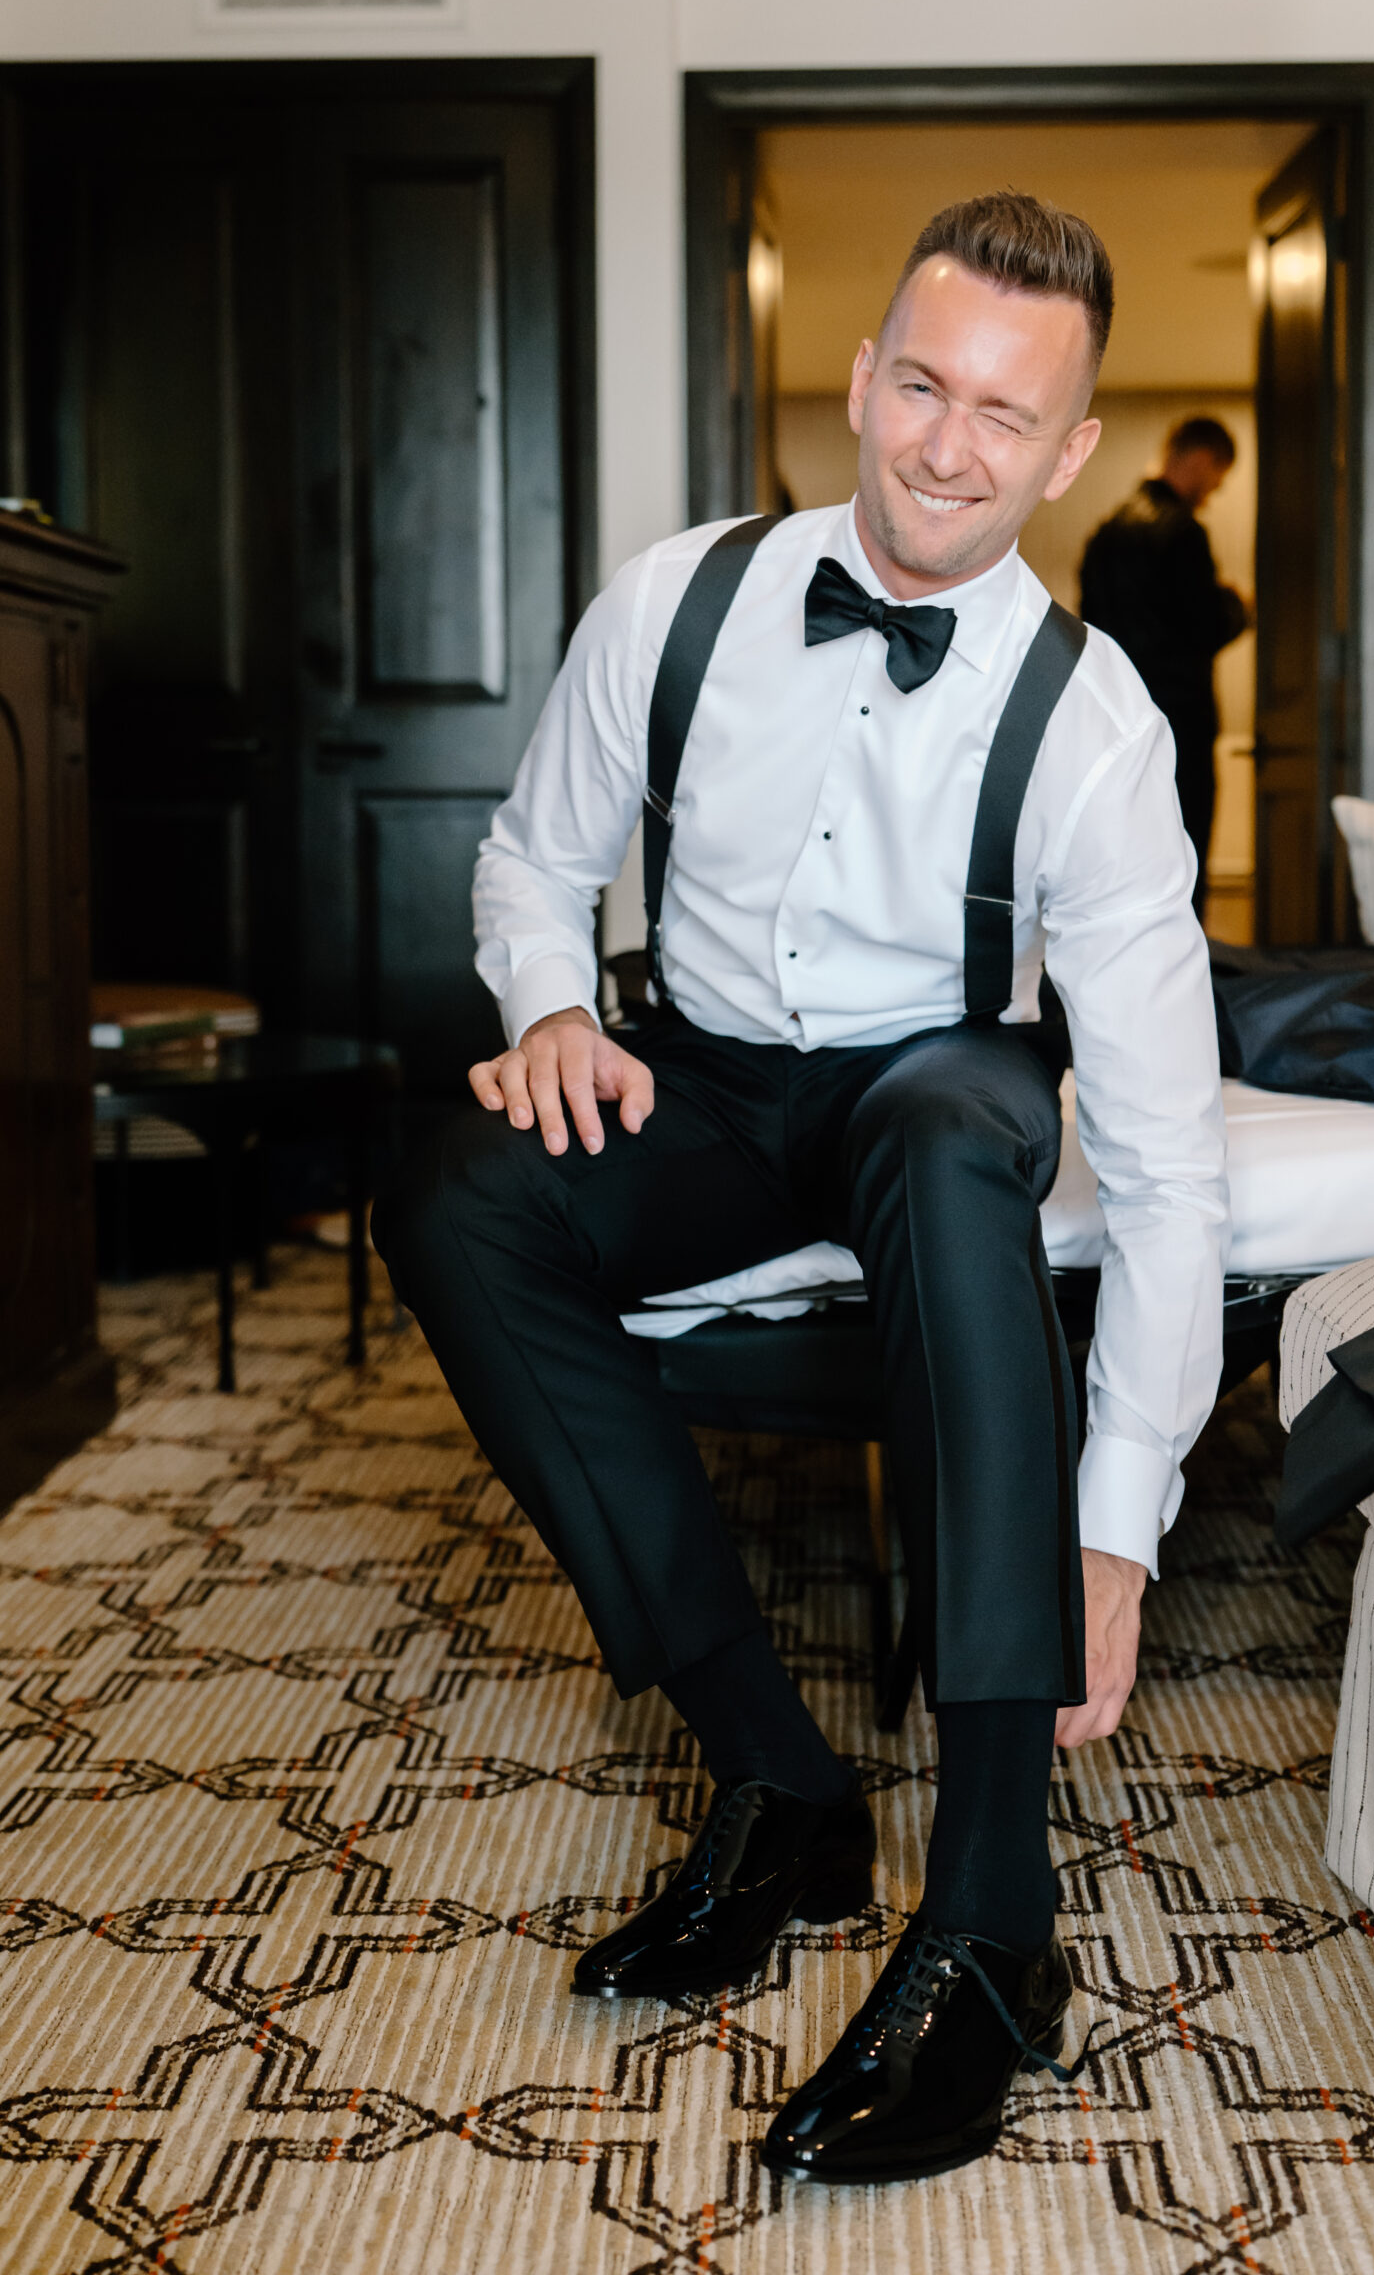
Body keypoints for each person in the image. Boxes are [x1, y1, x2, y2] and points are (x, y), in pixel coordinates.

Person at [373, 194, 1228, 2186]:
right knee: (458, 1195)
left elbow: (1170, 1165)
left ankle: (995, 1915)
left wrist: (1120, 1517)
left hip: (934, 1071)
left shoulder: (1097, 727)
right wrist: (555, 1003)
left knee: (939, 1147)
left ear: (1069, 450)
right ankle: (779, 1783)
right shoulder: (677, 598)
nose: (947, 446)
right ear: (858, 377)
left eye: (1004, 414)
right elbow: (529, 857)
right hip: (700, 1070)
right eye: (923, 385)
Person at [1077, 416, 1247, 914]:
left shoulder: (1106, 533)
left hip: (1115, 720)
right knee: (1184, 850)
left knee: (1122, 858)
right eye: (1218, 477)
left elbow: (1089, 631)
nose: (1213, 492)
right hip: (1180, 722)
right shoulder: (1183, 533)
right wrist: (1237, 608)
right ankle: (1184, 957)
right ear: (1202, 459)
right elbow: (1203, 626)